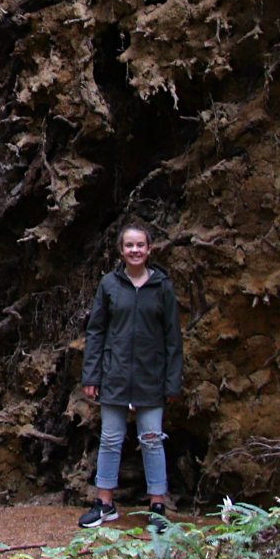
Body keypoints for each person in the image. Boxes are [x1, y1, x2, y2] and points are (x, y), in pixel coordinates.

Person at [79, 223, 184, 531]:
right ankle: (105, 503)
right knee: (110, 439)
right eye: (129, 246)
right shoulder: (110, 285)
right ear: (121, 250)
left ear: (149, 249)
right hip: (115, 373)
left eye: (140, 245)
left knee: (152, 440)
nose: (135, 250)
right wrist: (92, 374)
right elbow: (96, 331)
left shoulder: (162, 286)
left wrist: (172, 382)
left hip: (151, 375)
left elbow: (172, 338)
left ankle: (157, 506)